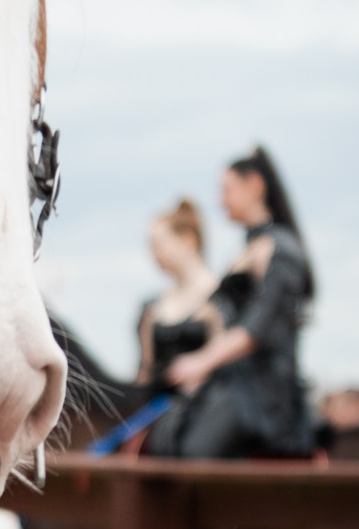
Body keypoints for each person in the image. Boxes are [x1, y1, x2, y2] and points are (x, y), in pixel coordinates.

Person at [149, 146, 314, 459]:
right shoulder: (247, 250)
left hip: (263, 394)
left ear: (255, 185)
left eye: (226, 189)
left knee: (194, 452)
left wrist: (202, 362)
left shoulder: (281, 250)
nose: (220, 201)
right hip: (230, 386)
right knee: (164, 439)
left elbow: (257, 329)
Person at [134, 197, 218, 391]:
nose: (154, 254)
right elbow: (144, 372)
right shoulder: (153, 307)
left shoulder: (220, 299)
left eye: (157, 244)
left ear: (187, 239)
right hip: (157, 411)